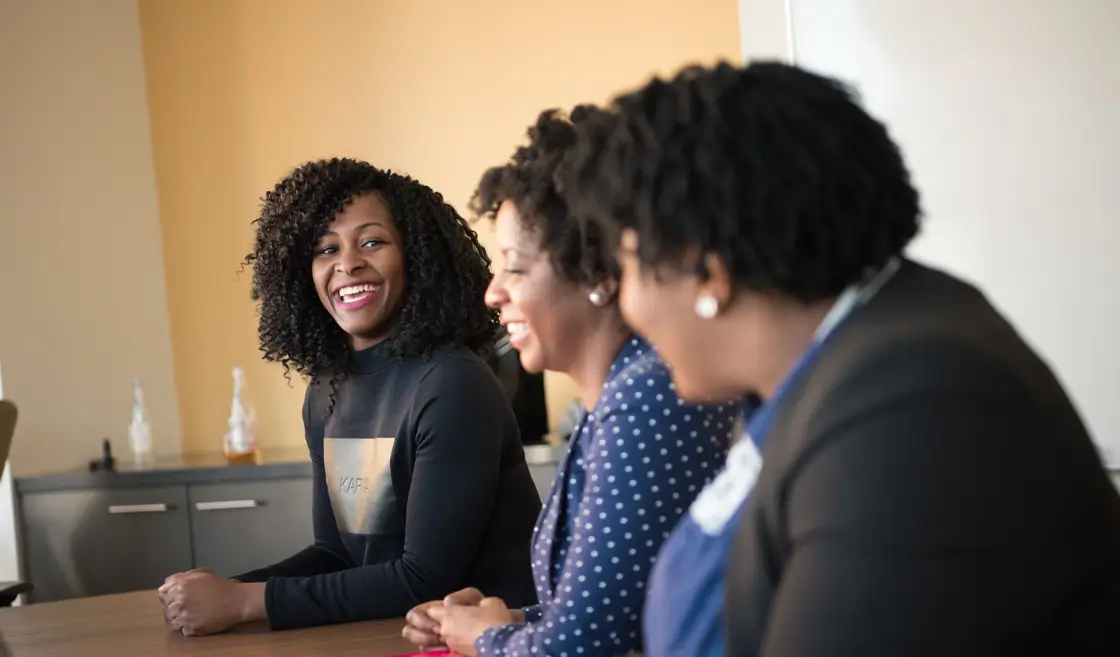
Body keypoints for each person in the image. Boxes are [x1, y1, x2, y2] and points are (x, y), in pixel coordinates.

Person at [564, 61, 1120, 657]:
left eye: (625, 269)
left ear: (708, 272)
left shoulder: (913, 408)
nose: (624, 301)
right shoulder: (847, 360)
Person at [401, 108, 738, 657]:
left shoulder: (646, 396)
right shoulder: (617, 394)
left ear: (598, 274)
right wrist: (511, 617)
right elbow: (621, 606)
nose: (493, 293)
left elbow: (580, 648)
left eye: (514, 266)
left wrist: (486, 636)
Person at [158, 158, 542, 636]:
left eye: (372, 242)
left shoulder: (452, 383)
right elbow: (335, 554)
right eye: (325, 249)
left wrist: (243, 601)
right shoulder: (326, 390)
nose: (347, 263)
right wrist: (225, 591)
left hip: (492, 643)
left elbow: (423, 578)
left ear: (416, 257)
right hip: (386, 635)